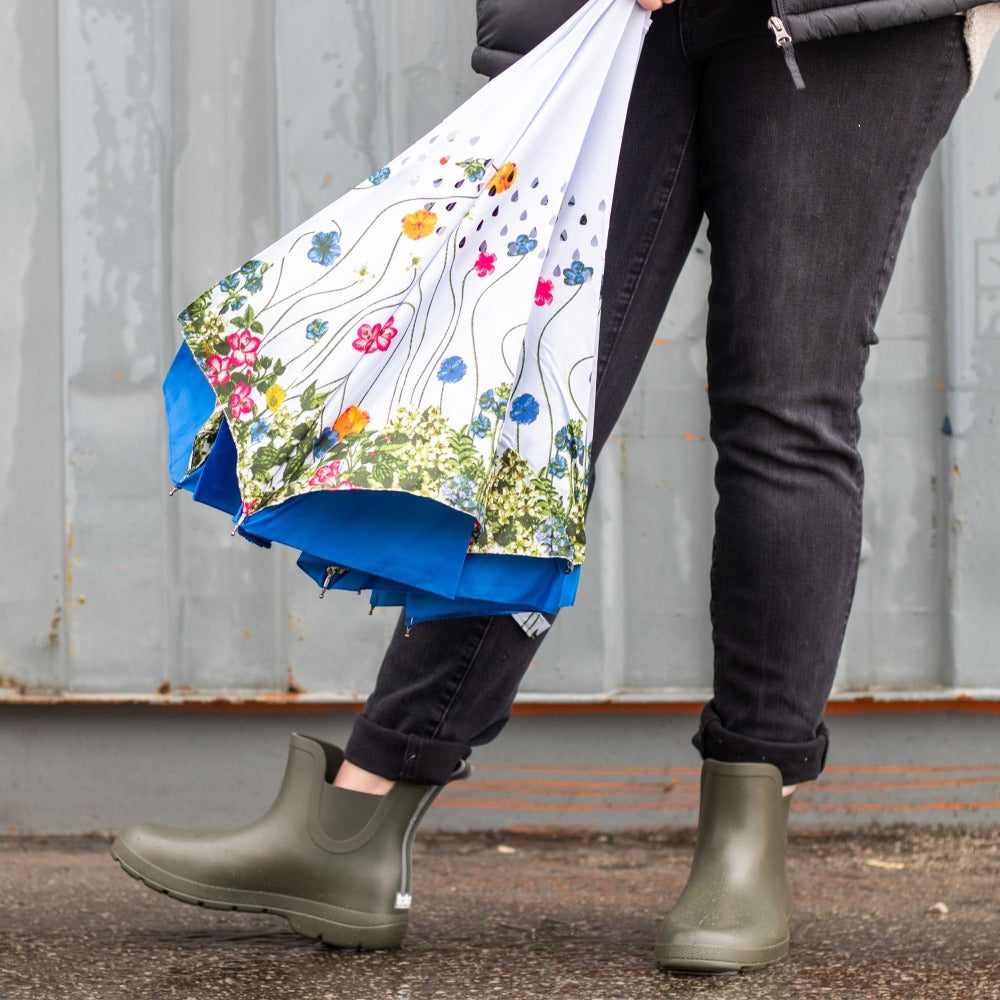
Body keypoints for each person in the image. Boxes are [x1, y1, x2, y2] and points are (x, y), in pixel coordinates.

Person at [111, 0, 1000, 975]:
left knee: (786, 398)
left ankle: (746, 831)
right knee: (527, 392)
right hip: (614, 16)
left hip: (839, 26)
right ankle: (356, 824)